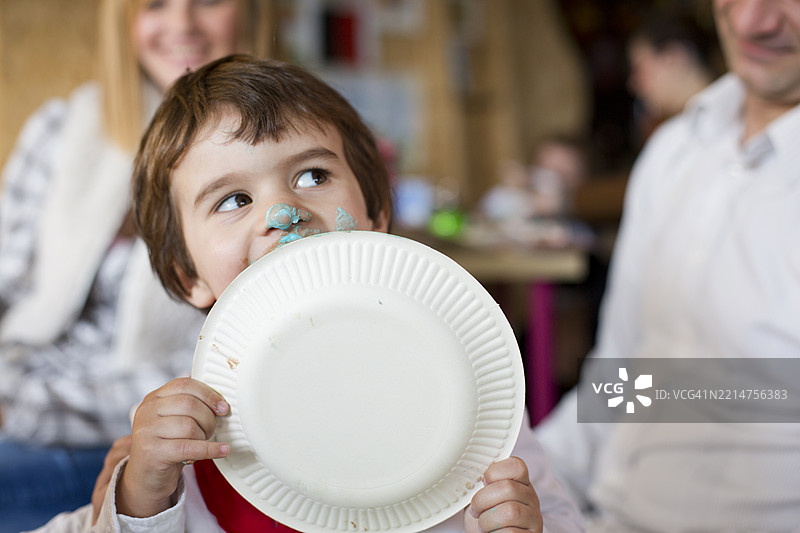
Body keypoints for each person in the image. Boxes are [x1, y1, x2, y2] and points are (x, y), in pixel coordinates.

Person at [34, 55, 584, 533]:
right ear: (186, 274)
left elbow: (557, 515)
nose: (282, 211)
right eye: (232, 200)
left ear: (377, 217)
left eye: (313, 175)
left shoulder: (471, 389)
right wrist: (137, 503)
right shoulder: (180, 431)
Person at [0, 1, 269, 530]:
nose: (181, 24)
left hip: (120, 429)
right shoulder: (61, 128)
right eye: (155, 4)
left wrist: (16, 409)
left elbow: (215, 383)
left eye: (208, 1)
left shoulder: (269, 160)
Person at [536, 0, 800, 531]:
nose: (752, 21)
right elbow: (621, 371)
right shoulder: (675, 151)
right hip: (611, 515)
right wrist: (530, 471)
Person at [627, 11, 718, 141]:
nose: (634, 83)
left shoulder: (736, 122)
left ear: (674, 57)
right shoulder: (669, 132)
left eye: (639, 69)